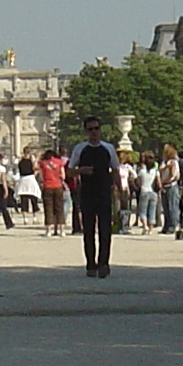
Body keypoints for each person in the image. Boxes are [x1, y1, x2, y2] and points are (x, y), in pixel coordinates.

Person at [69, 117, 118, 277]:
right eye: (90, 129)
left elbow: (115, 170)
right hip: (87, 194)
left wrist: (121, 191)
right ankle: (91, 263)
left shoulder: (108, 148)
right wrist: (81, 171)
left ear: (100, 130)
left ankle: (104, 263)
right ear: (86, 132)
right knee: (88, 231)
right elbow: (69, 171)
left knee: (105, 230)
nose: (94, 132)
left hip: (104, 193)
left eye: (96, 128)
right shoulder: (80, 149)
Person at [37, 148, 67, 235]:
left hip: (47, 187)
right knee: (59, 208)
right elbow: (63, 176)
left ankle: (48, 230)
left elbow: (40, 175)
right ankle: (62, 230)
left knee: (48, 209)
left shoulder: (43, 163)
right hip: (58, 186)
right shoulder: (59, 162)